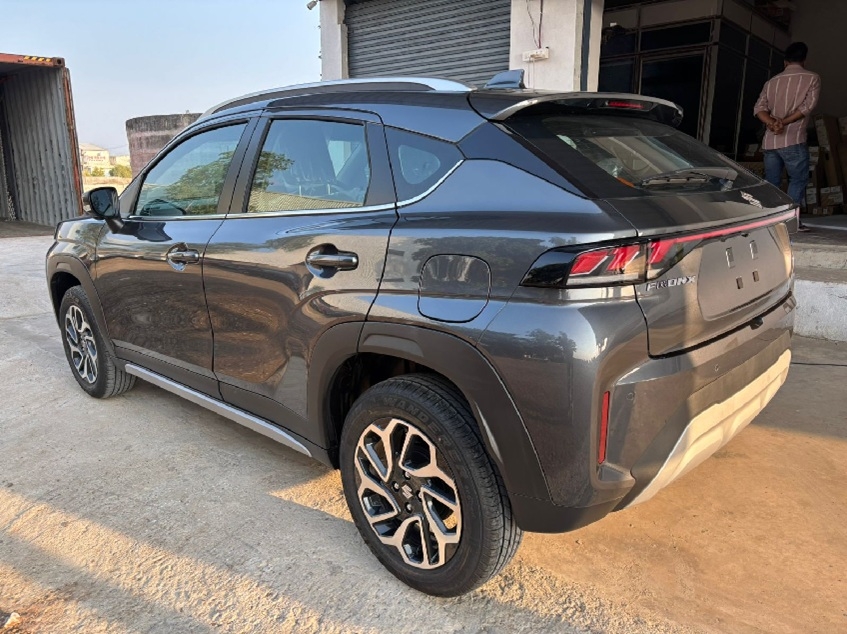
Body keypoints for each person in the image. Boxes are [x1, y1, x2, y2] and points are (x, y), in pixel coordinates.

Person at [753, 41, 821, 231]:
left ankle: (771, 222)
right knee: (797, 180)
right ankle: (790, 222)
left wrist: (772, 123)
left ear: (785, 61)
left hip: (770, 142)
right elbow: (807, 107)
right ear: (804, 60)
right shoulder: (812, 78)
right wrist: (784, 122)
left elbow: (759, 108)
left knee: (772, 182)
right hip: (793, 140)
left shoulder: (771, 82)